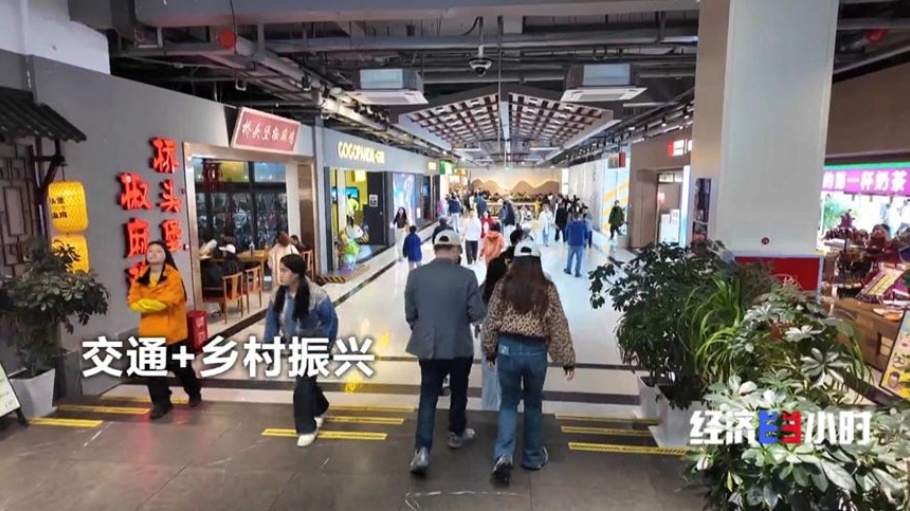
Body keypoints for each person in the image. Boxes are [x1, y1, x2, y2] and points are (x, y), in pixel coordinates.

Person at [482, 240, 575, 483]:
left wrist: (490, 350)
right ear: (537, 261)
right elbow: (557, 325)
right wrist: (567, 360)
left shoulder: (503, 285)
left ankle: (504, 455)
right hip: (535, 352)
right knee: (533, 404)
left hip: (507, 349)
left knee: (508, 403)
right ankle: (533, 456)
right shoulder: (547, 288)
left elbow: (491, 320)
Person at [404, 230, 486, 474]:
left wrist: (424, 328)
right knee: (459, 391)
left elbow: (410, 314)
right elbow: (477, 314)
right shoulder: (467, 276)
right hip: (459, 345)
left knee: (428, 396)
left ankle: (422, 450)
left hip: (429, 347)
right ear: (456, 249)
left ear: (435, 248)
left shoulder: (416, 276)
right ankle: (456, 433)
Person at [263, 254, 339, 447]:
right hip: (294, 345)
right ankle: (320, 407)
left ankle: (307, 428)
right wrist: (269, 346)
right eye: (279, 270)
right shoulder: (277, 295)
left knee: (302, 385)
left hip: (315, 344)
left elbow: (331, 321)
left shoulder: (316, 294)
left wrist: (326, 345)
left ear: (296, 274)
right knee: (307, 381)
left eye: (284, 271)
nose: (279, 274)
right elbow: (271, 323)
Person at [127, 241, 201, 420]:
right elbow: (132, 302)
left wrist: (145, 303)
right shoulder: (141, 276)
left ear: (165, 255)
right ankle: (161, 403)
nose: (153, 254)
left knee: (182, 369)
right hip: (150, 333)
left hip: (173, 333)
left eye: (158, 251)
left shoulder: (173, 276)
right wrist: (153, 303)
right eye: (150, 251)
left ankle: (194, 392)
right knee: (152, 373)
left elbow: (167, 301)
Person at [564, 212, 588, 278]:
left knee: (570, 257)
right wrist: (585, 240)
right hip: (580, 244)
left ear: (573, 217)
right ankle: (577, 272)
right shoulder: (582, 224)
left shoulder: (570, 224)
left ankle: (568, 270)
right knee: (579, 259)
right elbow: (586, 233)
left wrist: (567, 239)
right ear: (579, 217)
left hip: (571, 243)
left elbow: (566, 232)